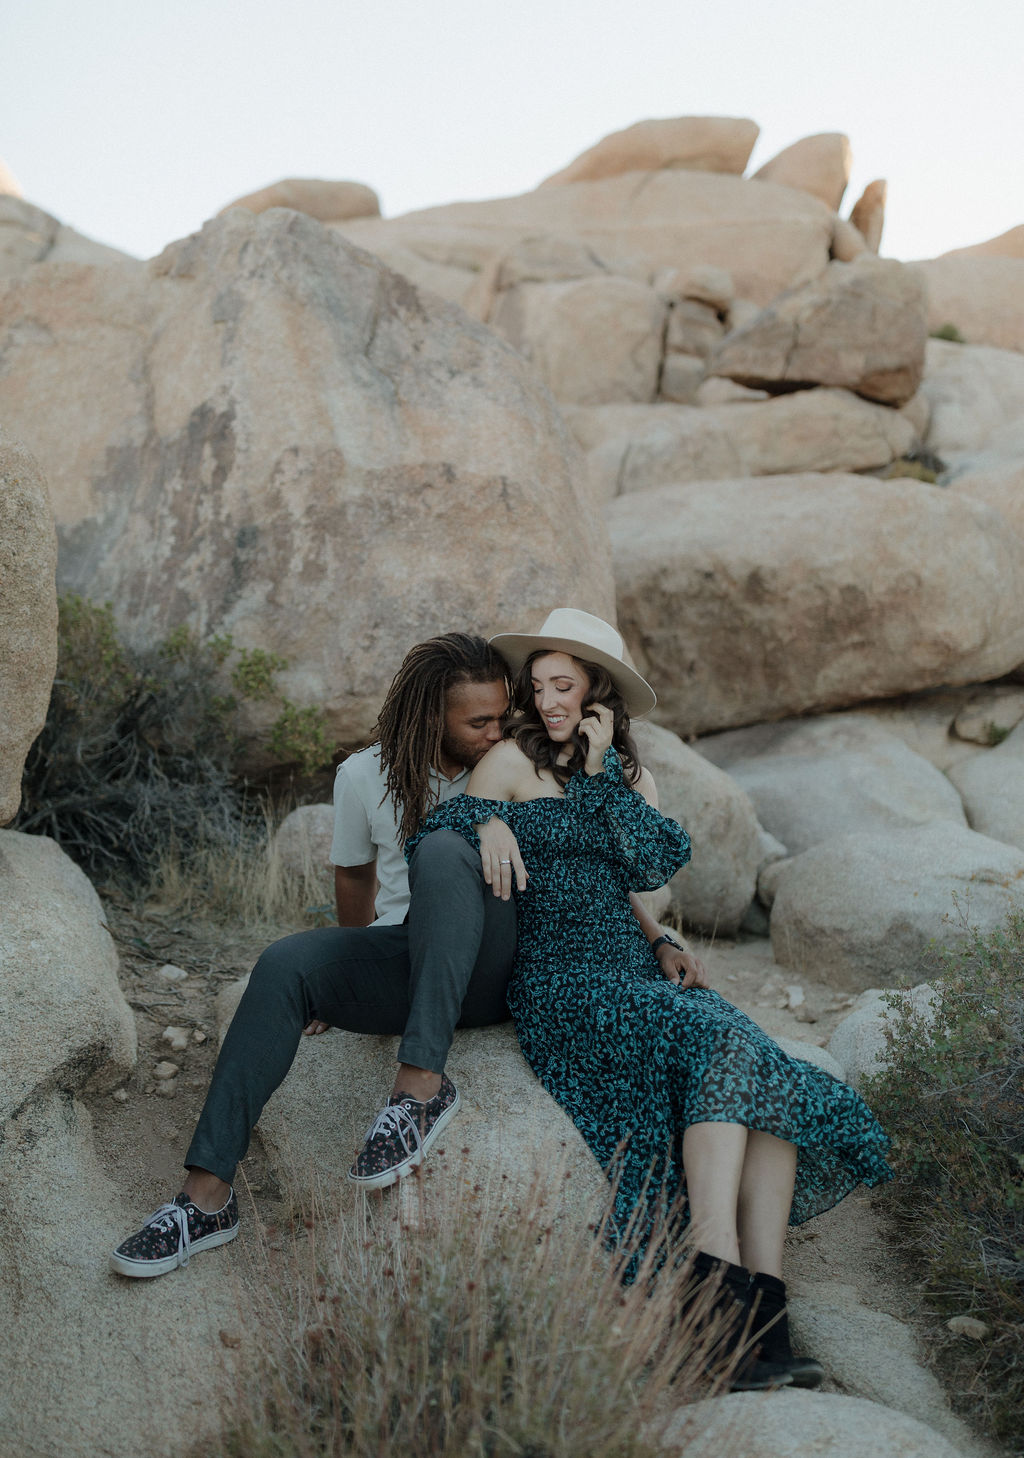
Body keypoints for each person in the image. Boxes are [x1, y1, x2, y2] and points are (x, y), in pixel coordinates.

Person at [406, 608, 894, 1391]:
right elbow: (432, 834)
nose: (549, 699)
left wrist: (603, 782)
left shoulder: (631, 779)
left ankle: (763, 1316)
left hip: (633, 966)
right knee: (730, 1048)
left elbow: (653, 866)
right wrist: (483, 825)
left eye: (564, 684)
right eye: (539, 686)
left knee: (768, 1071)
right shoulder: (505, 762)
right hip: (562, 981)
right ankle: (713, 1279)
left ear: (598, 689)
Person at [110, 632, 520, 1278]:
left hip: (494, 966)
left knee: (441, 850)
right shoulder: (364, 774)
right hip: (410, 962)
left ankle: (418, 1093)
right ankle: (205, 1201)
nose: (497, 731)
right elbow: (354, 877)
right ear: (429, 719)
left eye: (503, 716)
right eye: (479, 722)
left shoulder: (516, 764)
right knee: (283, 963)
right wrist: (343, 975)